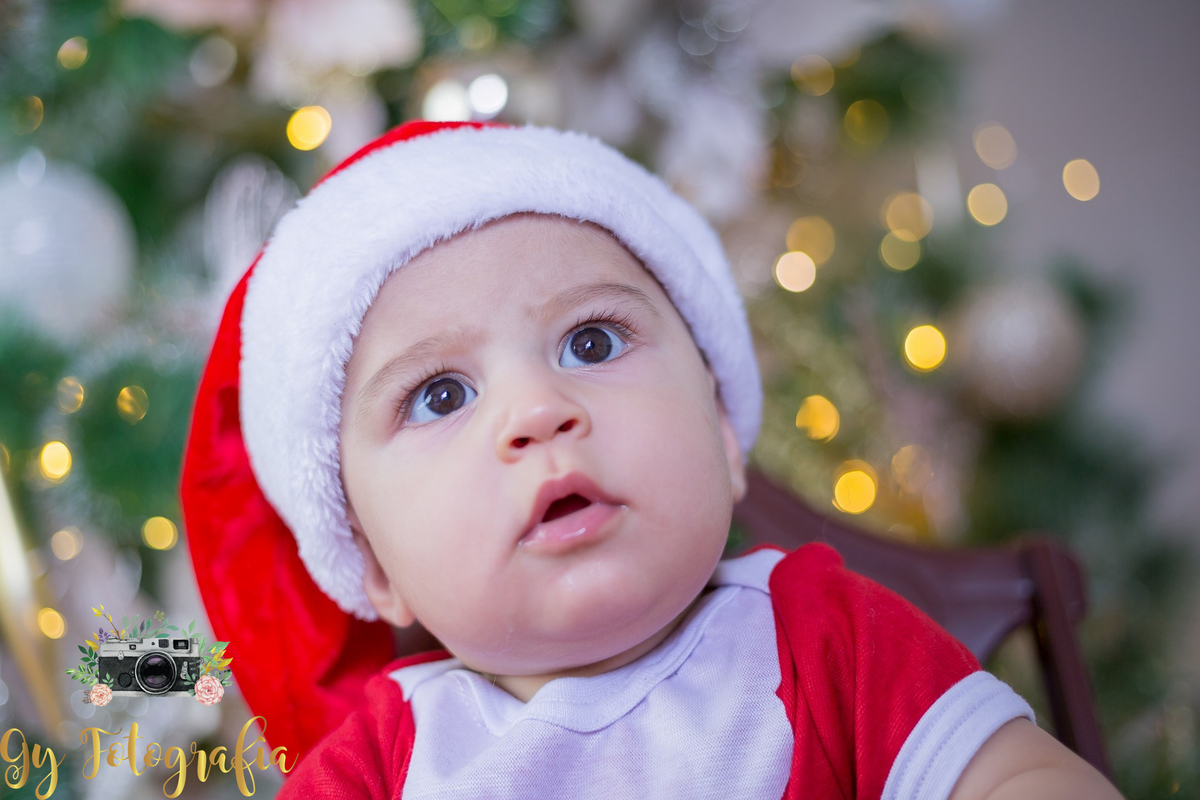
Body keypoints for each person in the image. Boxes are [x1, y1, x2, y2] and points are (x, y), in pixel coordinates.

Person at [181, 120, 1123, 799]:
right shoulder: (388, 761)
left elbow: (1016, 775)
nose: (539, 411)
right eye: (440, 396)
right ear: (374, 565)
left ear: (722, 432)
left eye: (592, 342)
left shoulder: (822, 637)